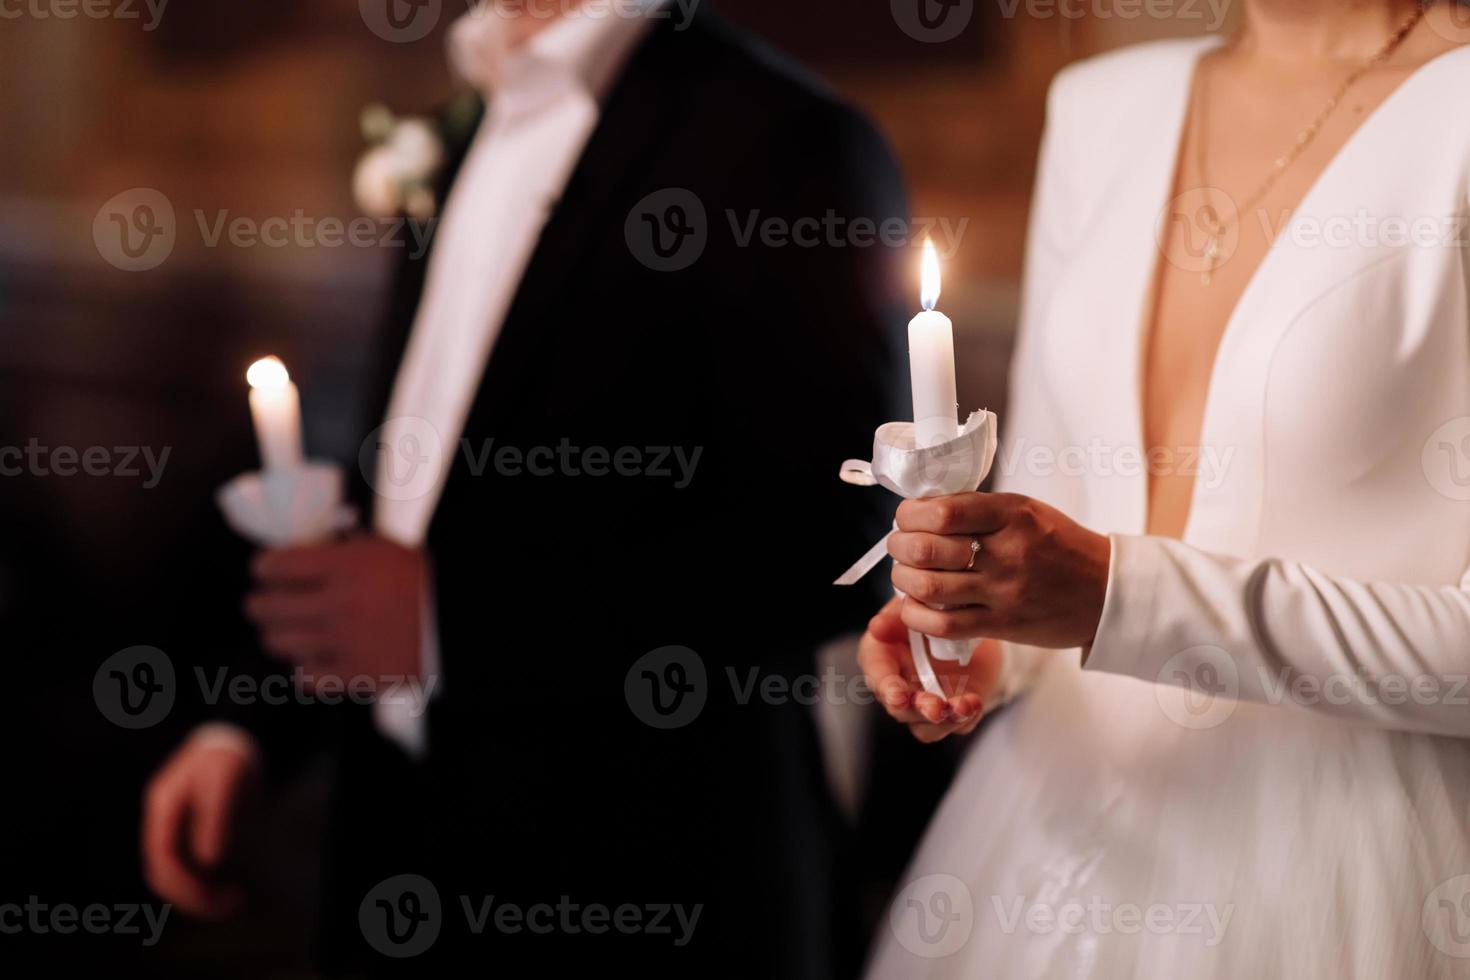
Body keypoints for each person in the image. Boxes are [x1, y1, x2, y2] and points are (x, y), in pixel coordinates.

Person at [142, 1, 909, 974]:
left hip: (653, 883)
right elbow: (409, 500)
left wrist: (450, 619)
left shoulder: (792, 142)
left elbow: (837, 537)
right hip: (402, 856)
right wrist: (247, 724)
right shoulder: (466, 124)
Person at [859, 2, 1470, 976]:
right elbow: (1061, 494)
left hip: (1362, 868)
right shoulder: (1103, 105)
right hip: (1056, 824)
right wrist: (988, 631)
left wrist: (1112, 595)